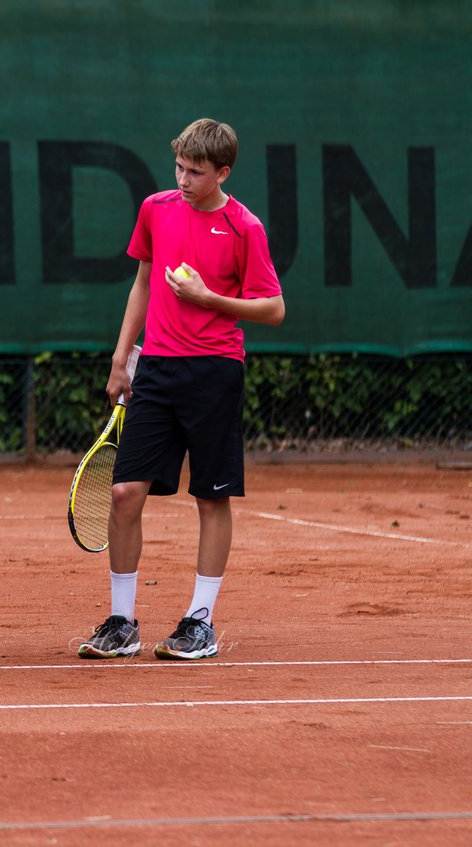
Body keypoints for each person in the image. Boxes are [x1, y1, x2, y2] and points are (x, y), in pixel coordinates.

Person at [78, 118, 285, 661]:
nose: (185, 178)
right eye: (180, 167)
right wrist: (122, 357)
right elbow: (143, 282)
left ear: (223, 172)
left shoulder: (245, 228)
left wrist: (208, 297)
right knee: (124, 493)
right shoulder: (156, 208)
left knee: (211, 497)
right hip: (157, 371)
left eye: (196, 171)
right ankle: (122, 622)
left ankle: (200, 622)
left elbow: (273, 308)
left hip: (215, 371)